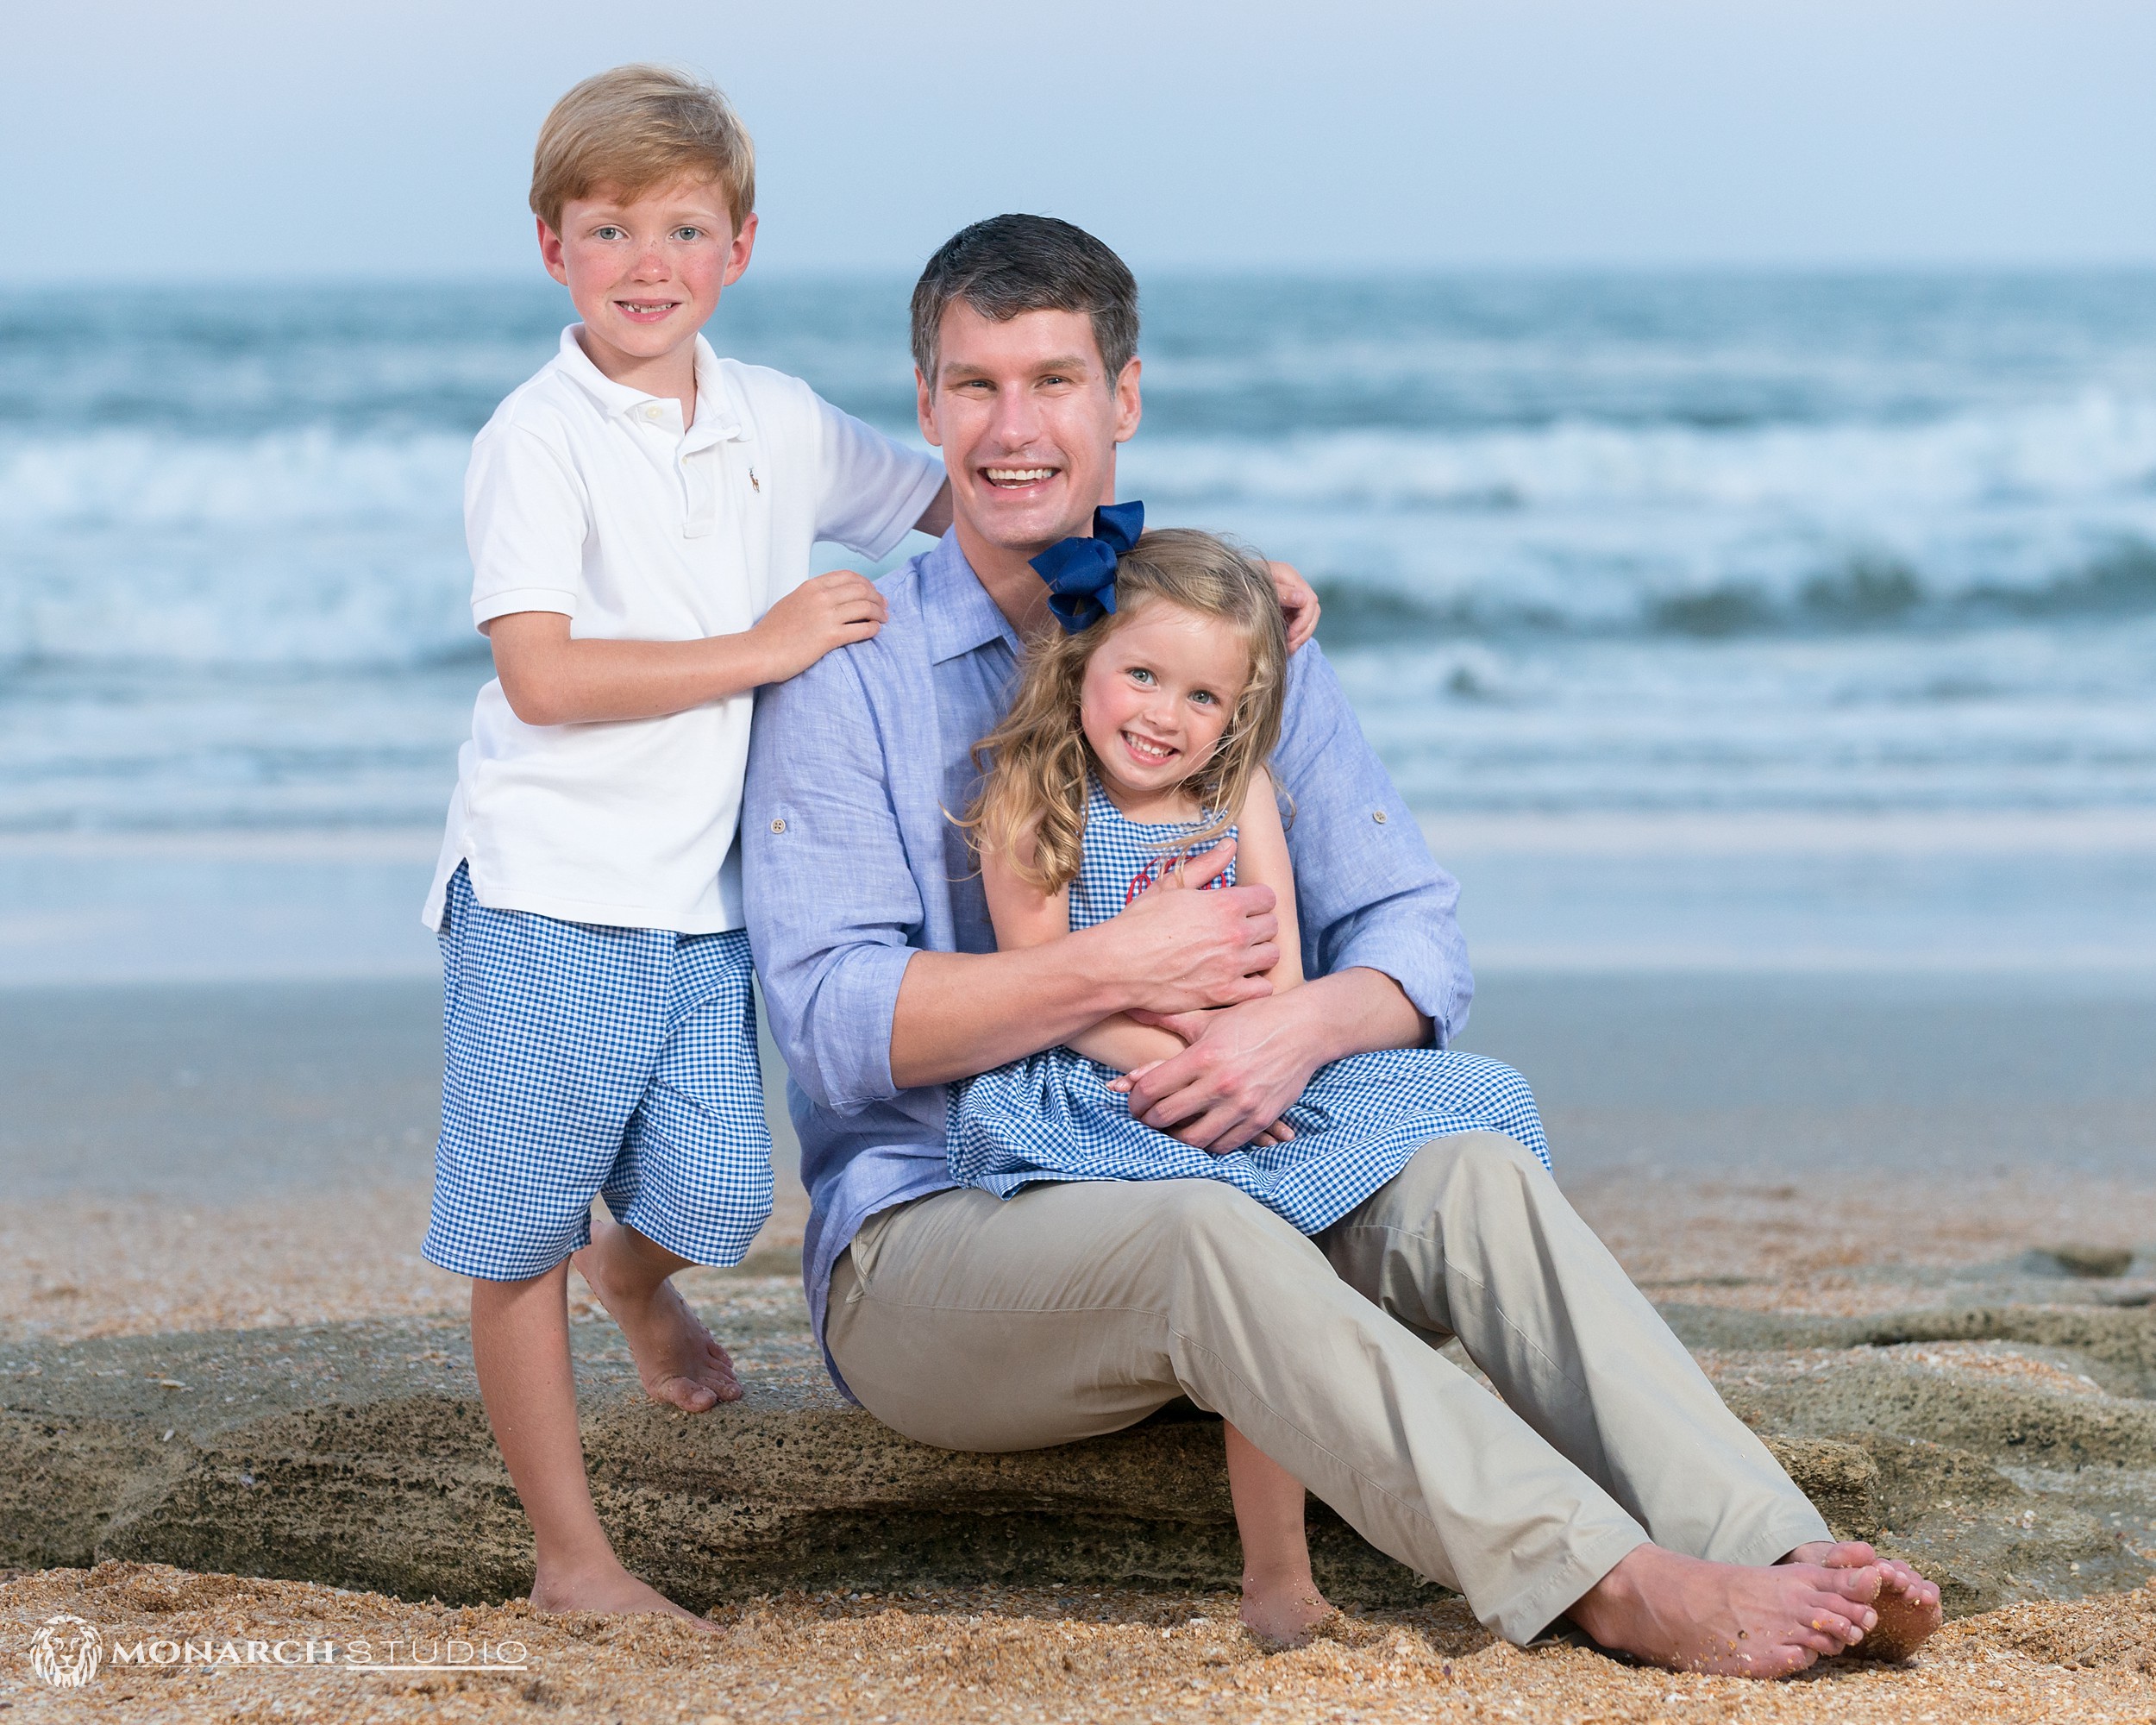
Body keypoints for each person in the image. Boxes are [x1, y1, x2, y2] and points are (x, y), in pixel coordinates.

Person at [743, 212, 1943, 1675]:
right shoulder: (846, 670)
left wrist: (1290, 1031)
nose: (1014, 428)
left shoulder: (1230, 639)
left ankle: (1772, 1544)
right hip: (943, 1237)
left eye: (1054, 381)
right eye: (974, 385)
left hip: (1247, 1161)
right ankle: (1610, 1584)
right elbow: (834, 1021)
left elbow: (1412, 935)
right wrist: (1125, 974)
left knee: (1472, 1175)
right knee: (1205, 1234)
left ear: (1124, 398)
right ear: (925, 404)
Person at [417, 65, 950, 1628]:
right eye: (607, 228)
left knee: (717, 1199)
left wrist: (1178, 567)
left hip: (707, 898)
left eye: (682, 227)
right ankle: (572, 1561)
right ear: (552, 250)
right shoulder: (537, 438)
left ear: (738, 245)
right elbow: (546, 676)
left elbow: (965, 506)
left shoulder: (777, 419)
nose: (646, 260)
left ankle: (630, 1284)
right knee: (516, 1229)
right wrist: (766, 643)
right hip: (547, 887)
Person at [946, 521, 1554, 1640]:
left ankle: (1520, 1449)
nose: (1163, 717)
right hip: (1104, 1089)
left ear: (1239, 715)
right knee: (1258, 1229)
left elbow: (1279, 971)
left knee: (1484, 1103)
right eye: (1141, 674)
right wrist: (1179, 1043)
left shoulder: (1244, 796)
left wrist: (1243, 1062)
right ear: (1084, 661)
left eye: (1202, 698)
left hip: (1241, 1069)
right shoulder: (1035, 792)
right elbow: (1041, 987)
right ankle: (1280, 1582)